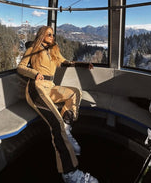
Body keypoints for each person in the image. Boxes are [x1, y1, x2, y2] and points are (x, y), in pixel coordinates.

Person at [17, 26, 98, 183]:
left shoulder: (54, 50)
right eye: (49, 34)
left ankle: (67, 130)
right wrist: (35, 73)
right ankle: (69, 173)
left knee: (75, 93)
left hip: (50, 87)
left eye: (53, 35)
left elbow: (64, 62)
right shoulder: (33, 48)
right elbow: (21, 67)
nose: (52, 37)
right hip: (36, 88)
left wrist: (83, 64)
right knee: (56, 124)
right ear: (42, 35)